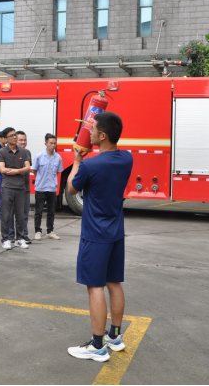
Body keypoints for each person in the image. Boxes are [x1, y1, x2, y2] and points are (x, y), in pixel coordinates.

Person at [66, 112, 133, 362]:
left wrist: (76, 161)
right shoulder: (127, 158)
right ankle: (114, 337)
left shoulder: (91, 165)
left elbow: (71, 188)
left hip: (95, 234)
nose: (90, 132)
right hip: (116, 231)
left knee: (95, 287)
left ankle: (97, 346)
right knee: (114, 283)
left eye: (93, 129)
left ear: (102, 136)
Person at [0, 128, 31, 250]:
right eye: (11, 135)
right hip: (7, 187)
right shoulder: (1, 152)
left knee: (20, 215)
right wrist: (19, 171)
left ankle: (20, 239)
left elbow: (27, 168)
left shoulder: (24, 152)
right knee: (6, 215)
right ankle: (5, 239)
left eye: (15, 135)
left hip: (21, 187)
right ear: (6, 138)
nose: (14, 137)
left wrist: (16, 171)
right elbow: (2, 169)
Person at [32, 134, 64, 241]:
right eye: (50, 143)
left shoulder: (58, 157)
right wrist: (40, 179)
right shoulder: (39, 156)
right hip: (40, 187)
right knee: (39, 211)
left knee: (51, 211)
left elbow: (58, 172)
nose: (53, 145)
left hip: (52, 188)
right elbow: (35, 170)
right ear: (46, 144)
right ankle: (38, 231)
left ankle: (50, 231)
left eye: (54, 143)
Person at [8, 131, 32, 244]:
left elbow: (27, 169)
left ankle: (23, 235)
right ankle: (10, 235)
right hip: (12, 188)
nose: (23, 142)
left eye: (25, 140)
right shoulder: (10, 153)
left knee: (23, 214)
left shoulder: (27, 153)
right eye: (21, 140)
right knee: (10, 213)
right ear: (15, 141)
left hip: (25, 188)